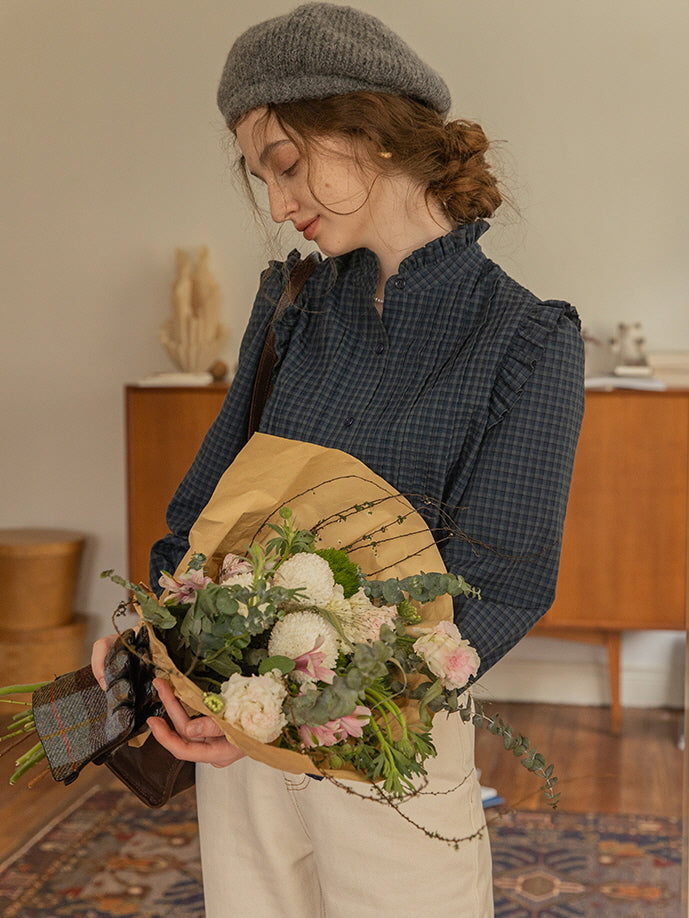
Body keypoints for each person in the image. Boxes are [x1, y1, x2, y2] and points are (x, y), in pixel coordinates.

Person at [93, 4, 584, 916]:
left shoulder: (525, 337)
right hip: (240, 740)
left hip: (385, 744)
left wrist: (312, 713)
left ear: (370, 129)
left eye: (285, 164)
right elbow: (202, 512)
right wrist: (153, 640)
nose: (279, 204)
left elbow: (503, 583)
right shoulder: (292, 303)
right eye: (262, 178)